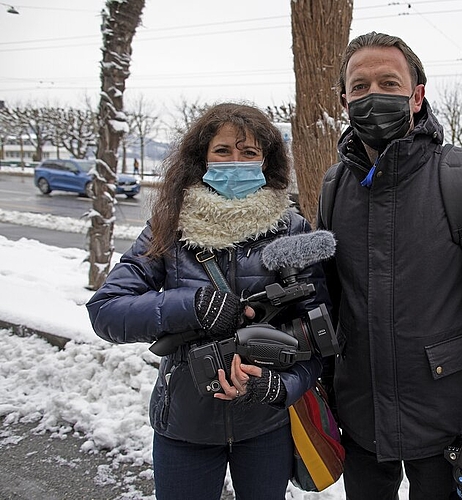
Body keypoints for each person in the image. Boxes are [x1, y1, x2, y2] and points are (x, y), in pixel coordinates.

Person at [318, 32, 462, 500]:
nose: (373, 96)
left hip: (447, 427)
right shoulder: (334, 188)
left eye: (389, 83)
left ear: (416, 97)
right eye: (360, 86)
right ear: (345, 99)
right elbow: (330, 303)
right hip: (361, 421)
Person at [86, 103, 329, 500]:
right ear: (201, 159)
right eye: (223, 151)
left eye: (249, 153)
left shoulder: (293, 230)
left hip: (265, 427)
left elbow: (320, 336)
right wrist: (192, 305)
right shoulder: (168, 226)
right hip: (185, 426)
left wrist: (279, 387)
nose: (237, 162)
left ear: (266, 162)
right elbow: (106, 311)